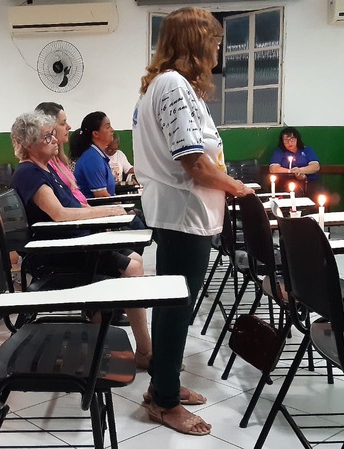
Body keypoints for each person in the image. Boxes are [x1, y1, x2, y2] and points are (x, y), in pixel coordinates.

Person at [133, 7, 254, 436]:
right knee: (176, 309)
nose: (218, 51)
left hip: (183, 213)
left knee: (175, 307)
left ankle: (162, 384)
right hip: (184, 214)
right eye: (215, 43)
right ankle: (164, 402)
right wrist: (238, 187)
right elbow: (195, 164)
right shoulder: (173, 85)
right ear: (196, 43)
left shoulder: (165, 85)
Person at [9, 111, 152, 369]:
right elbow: (60, 214)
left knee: (135, 259)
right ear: (29, 144)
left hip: (74, 243)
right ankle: (145, 351)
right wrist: (107, 212)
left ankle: (118, 340)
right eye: (47, 137)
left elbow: (74, 207)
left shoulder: (46, 169)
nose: (55, 140)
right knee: (133, 268)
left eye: (53, 135)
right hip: (56, 253)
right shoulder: (28, 173)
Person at [34, 102, 87, 205]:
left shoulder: (59, 160)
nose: (69, 127)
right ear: (49, 128)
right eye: (63, 124)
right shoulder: (45, 164)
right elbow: (62, 206)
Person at [70, 111, 118, 198]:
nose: (112, 130)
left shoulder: (97, 155)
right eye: (107, 127)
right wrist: (120, 205)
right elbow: (102, 196)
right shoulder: (92, 159)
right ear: (95, 134)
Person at [268, 127, 321, 197]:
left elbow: (315, 167)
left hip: (309, 182)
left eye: (292, 139)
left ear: (297, 139)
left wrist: (300, 171)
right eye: (286, 140)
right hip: (287, 182)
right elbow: (273, 168)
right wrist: (291, 171)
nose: (290, 143)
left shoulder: (306, 150)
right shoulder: (279, 151)